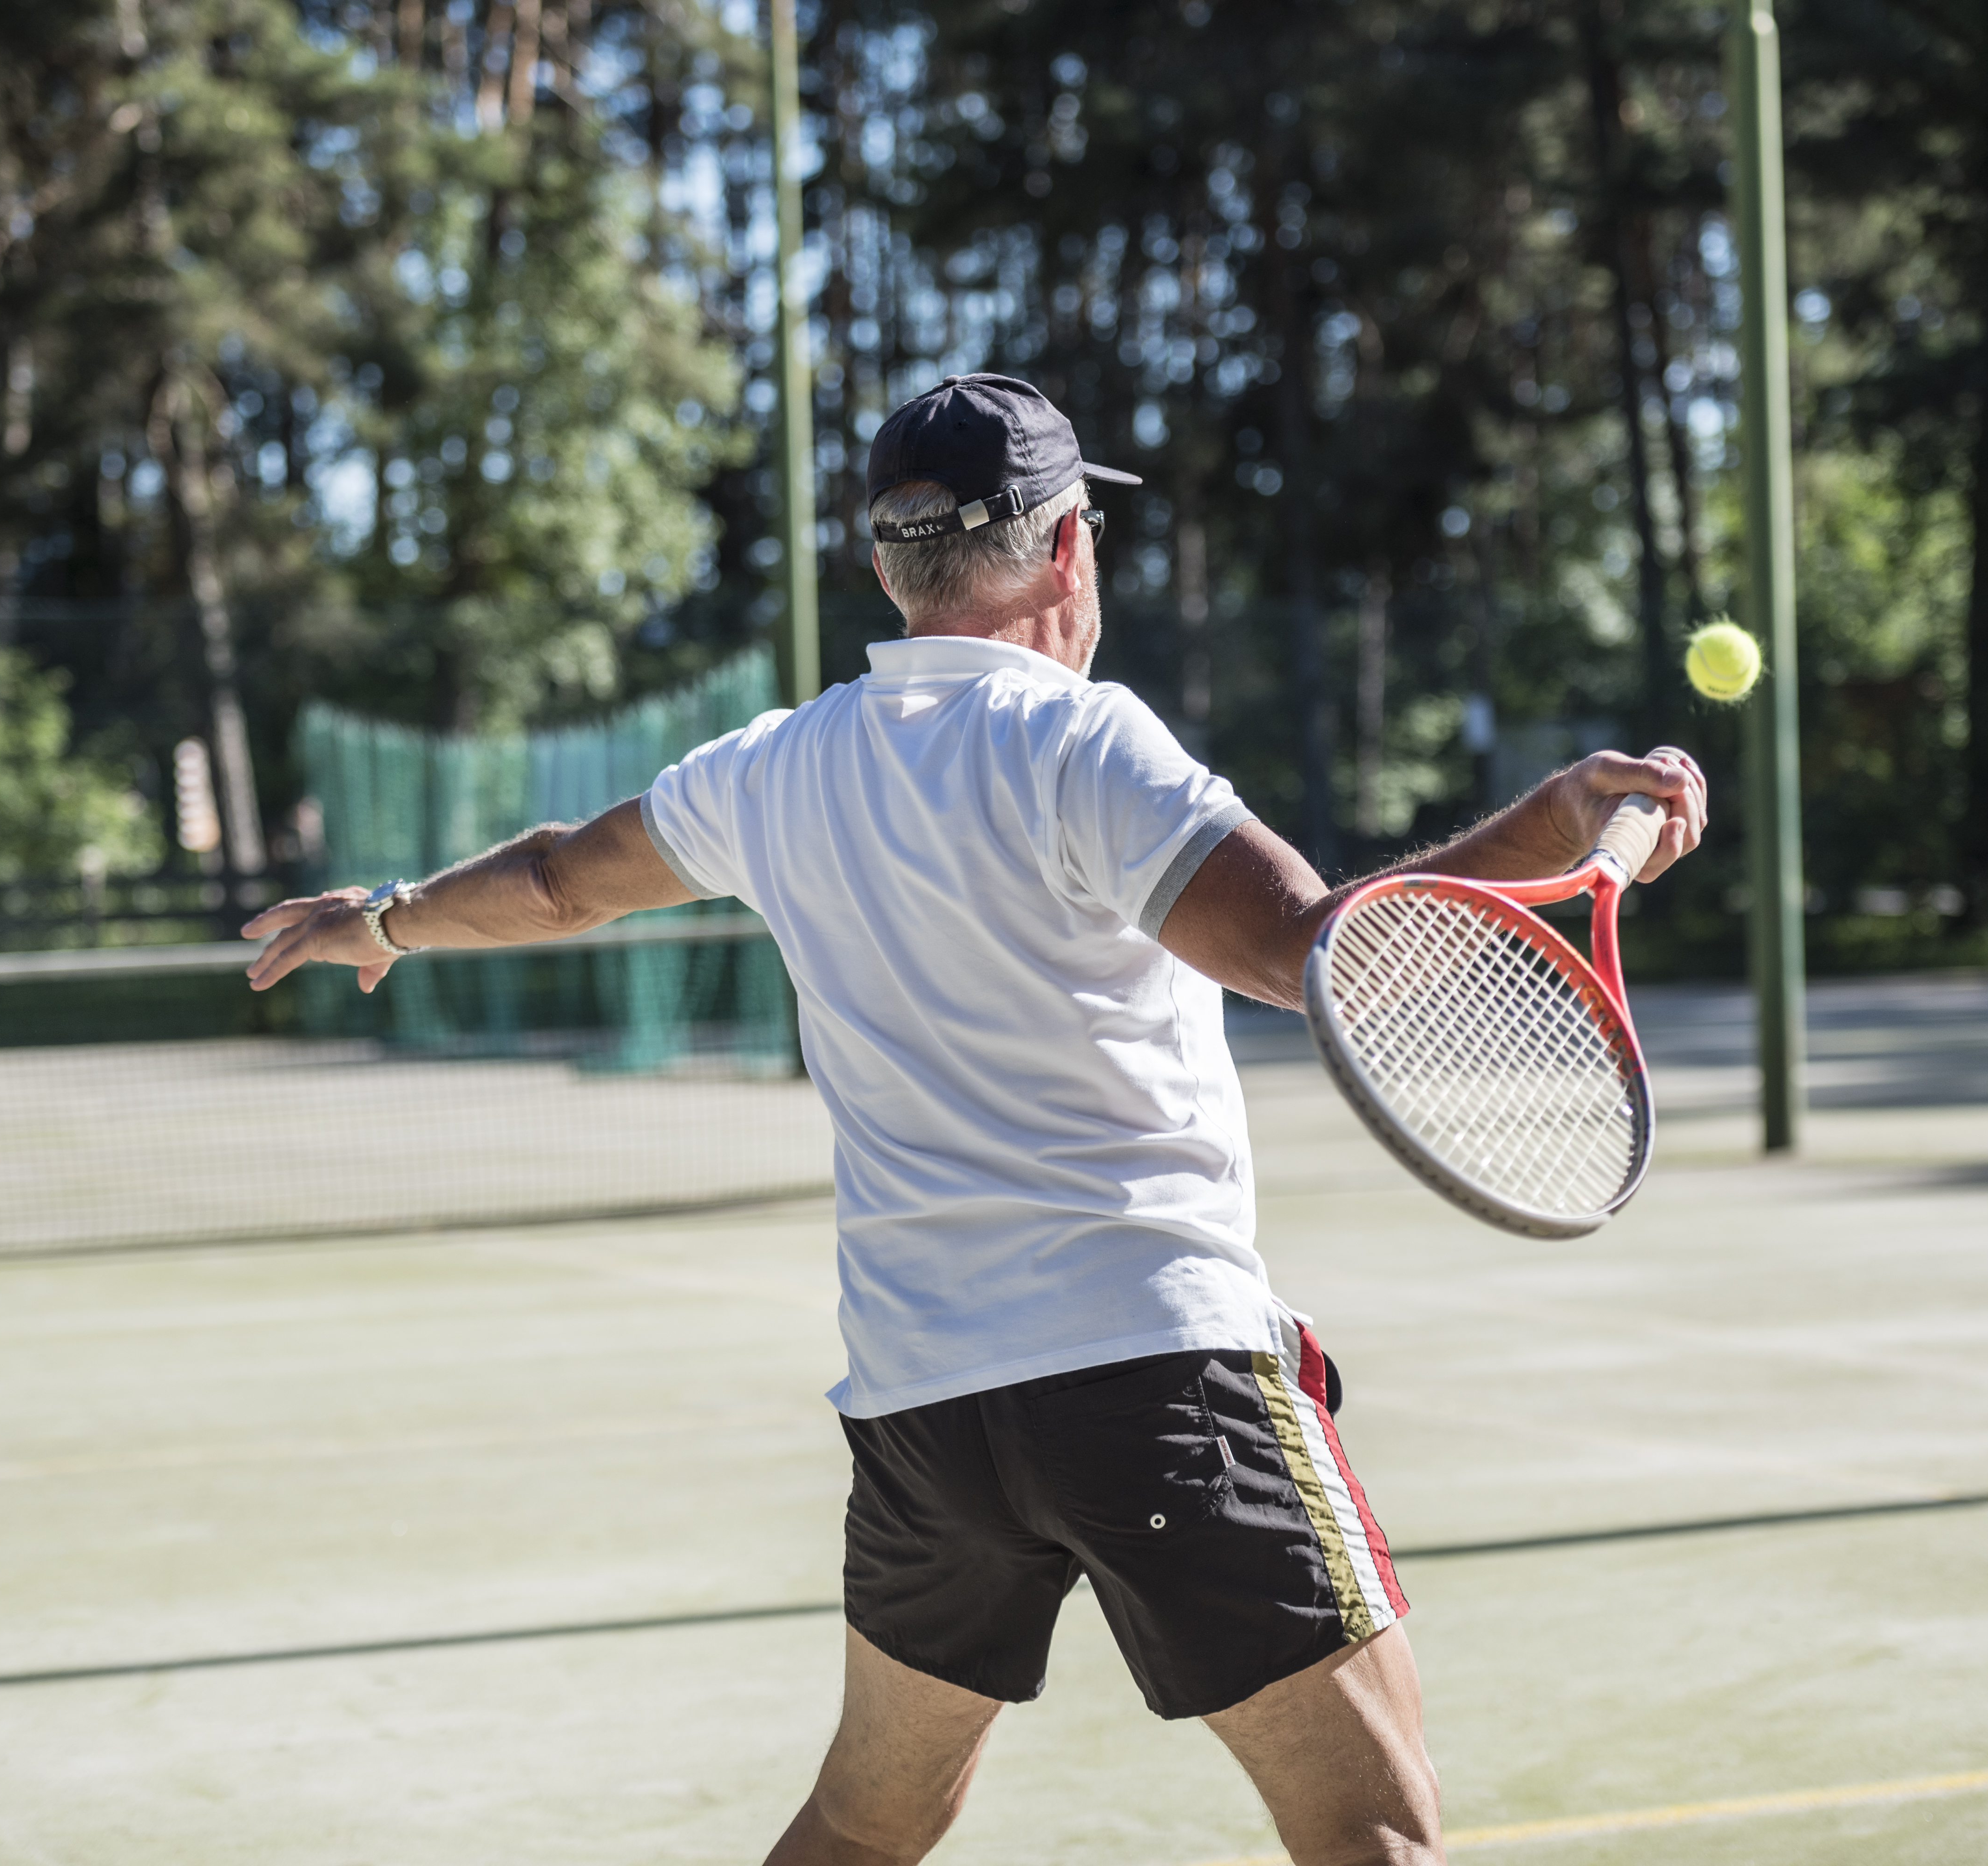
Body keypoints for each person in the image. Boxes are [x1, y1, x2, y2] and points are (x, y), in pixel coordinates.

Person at [242, 374, 1708, 1866]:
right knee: (1375, 1832)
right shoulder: (1084, 741)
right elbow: (1316, 958)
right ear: (1071, 548)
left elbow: (556, 876)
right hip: (1156, 1377)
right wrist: (1545, 826)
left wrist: (386, 919)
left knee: (865, 1832)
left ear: (888, 567)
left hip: (926, 1414)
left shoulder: (770, 766)